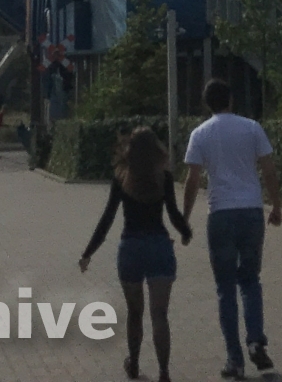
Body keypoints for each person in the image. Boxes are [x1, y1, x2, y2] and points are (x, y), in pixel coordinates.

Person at [181, 79, 280, 379]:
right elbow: (268, 170)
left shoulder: (200, 134)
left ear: (206, 103)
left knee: (225, 288)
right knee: (250, 280)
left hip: (220, 213)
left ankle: (234, 360)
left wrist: (184, 218)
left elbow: (192, 180)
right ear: (231, 100)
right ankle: (256, 340)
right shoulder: (252, 128)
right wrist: (276, 205)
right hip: (251, 211)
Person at [80, 126, 192, 381]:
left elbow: (107, 218)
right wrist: (186, 232)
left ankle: (134, 364)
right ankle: (164, 372)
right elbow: (173, 213)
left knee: (135, 314)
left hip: (130, 248)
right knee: (160, 315)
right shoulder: (163, 177)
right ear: (156, 150)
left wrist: (88, 253)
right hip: (159, 247)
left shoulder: (121, 178)